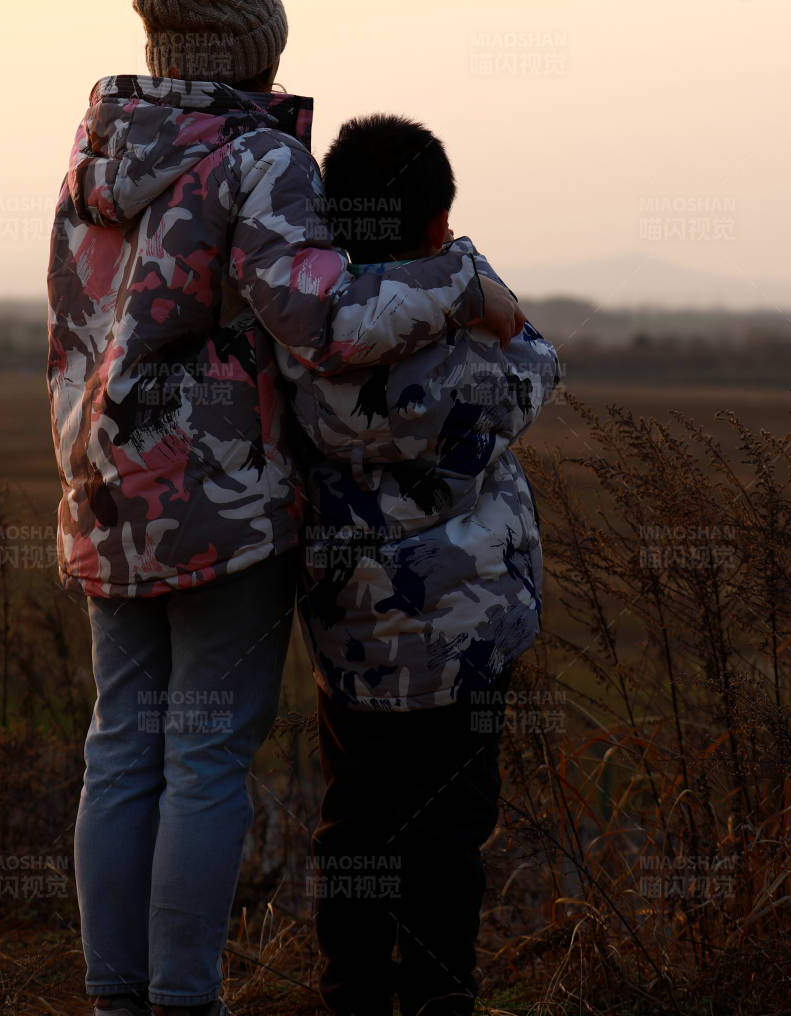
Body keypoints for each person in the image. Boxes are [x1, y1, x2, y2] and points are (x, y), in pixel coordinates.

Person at [47, 0, 522, 1016]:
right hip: (221, 503)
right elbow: (326, 324)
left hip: (103, 484)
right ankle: (182, 1000)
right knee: (207, 757)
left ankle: (117, 1001)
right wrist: (459, 279)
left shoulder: (95, 150)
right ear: (250, 51)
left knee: (120, 751)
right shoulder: (258, 158)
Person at [289, 112, 560, 1016]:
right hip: (466, 642)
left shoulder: (300, 347)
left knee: (356, 823)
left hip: (352, 640)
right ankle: (441, 999)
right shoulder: (466, 355)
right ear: (438, 226)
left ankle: (352, 992)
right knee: (446, 832)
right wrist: (471, 281)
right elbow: (536, 361)